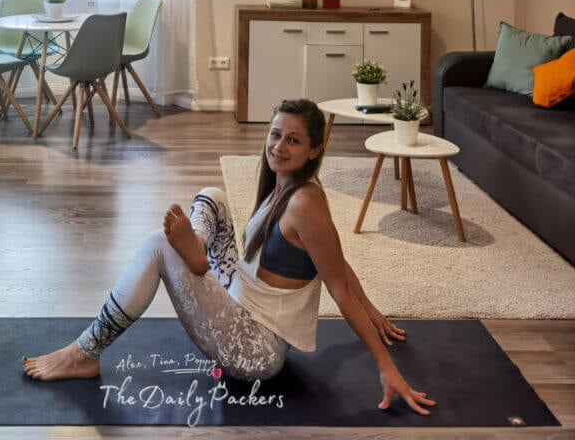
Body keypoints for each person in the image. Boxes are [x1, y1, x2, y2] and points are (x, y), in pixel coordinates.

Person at [22, 98, 435, 415]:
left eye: (293, 140)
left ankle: (83, 354)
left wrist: (385, 366)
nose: (279, 146)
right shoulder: (286, 185)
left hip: (254, 348)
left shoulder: (305, 203)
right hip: (242, 298)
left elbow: (338, 285)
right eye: (275, 134)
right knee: (213, 197)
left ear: (314, 149)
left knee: (157, 244)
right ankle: (197, 249)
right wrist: (375, 310)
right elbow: (337, 261)